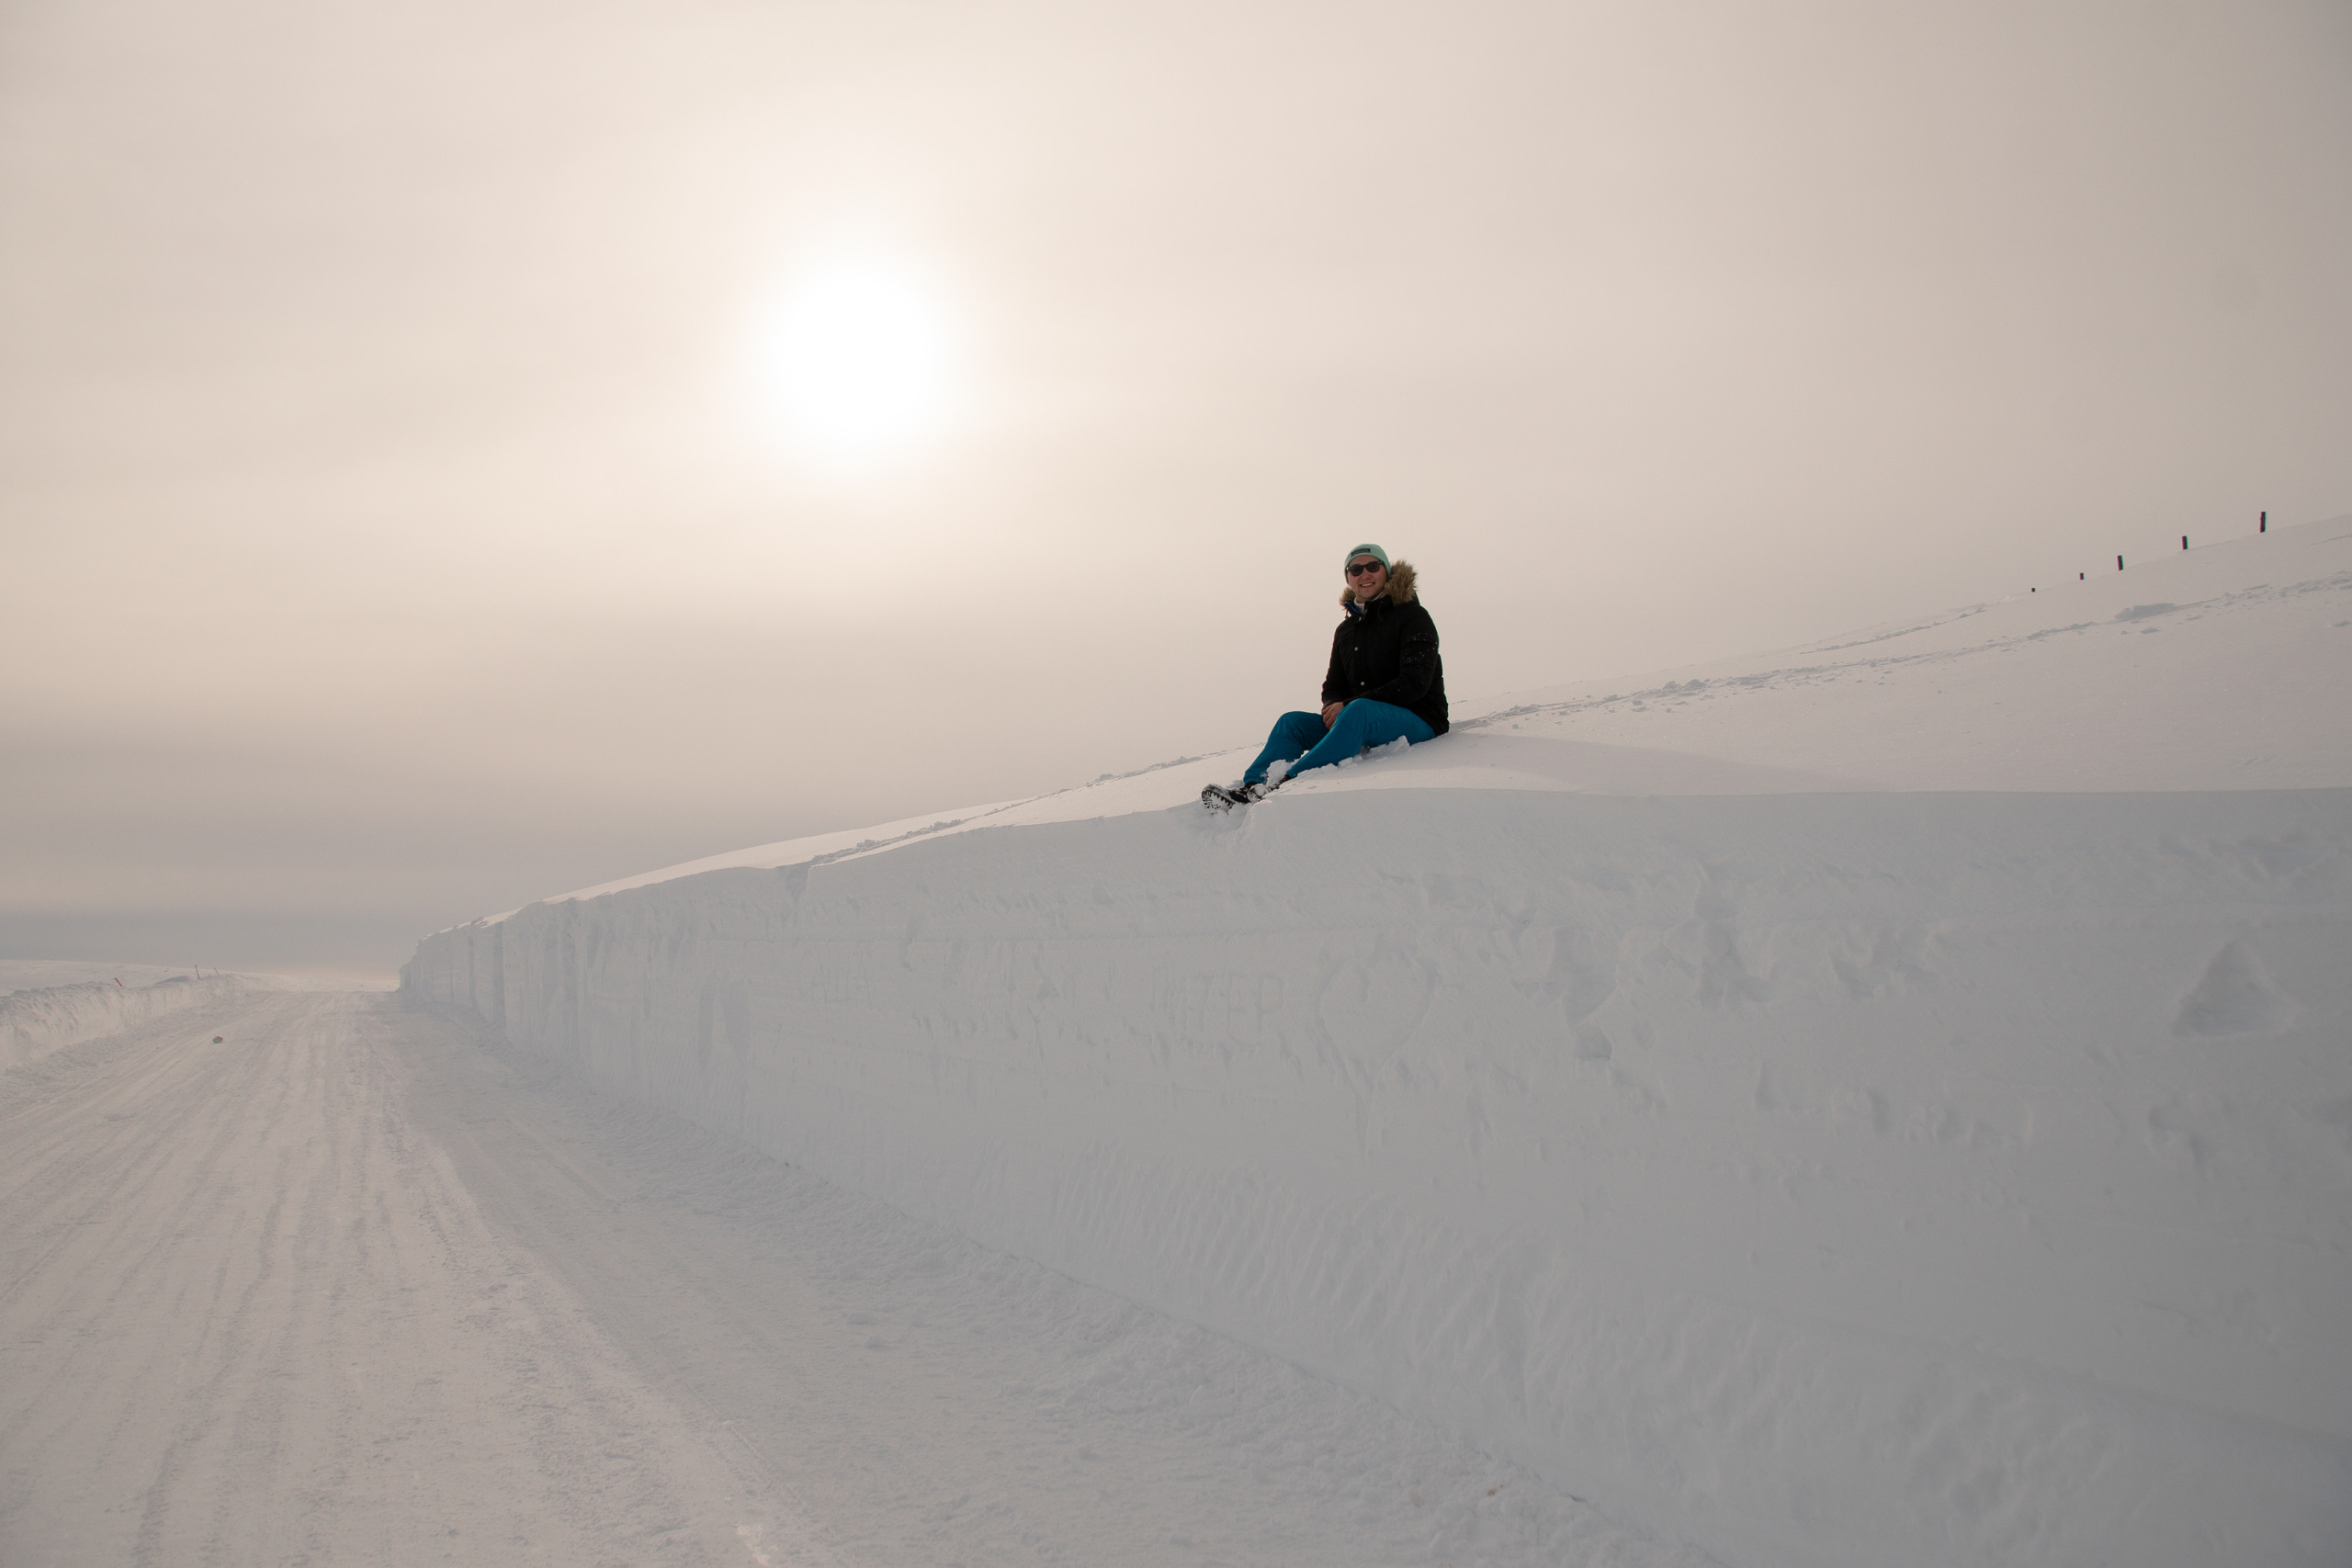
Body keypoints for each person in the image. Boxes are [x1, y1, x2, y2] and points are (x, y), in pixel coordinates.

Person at [1203, 543, 1448, 809]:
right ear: (1348, 578)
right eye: (1356, 569)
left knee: (1360, 711)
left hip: (1419, 718)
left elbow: (1415, 684)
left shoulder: (1413, 616)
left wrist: (1350, 705)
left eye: (1373, 566)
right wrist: (1333, 705)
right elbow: (1333, 684)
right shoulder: (1346, 630)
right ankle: (1250, 788)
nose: (1364, 574)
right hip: (1359, 718)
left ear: (1386, 572)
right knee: (1291, 723)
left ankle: (1284, 783)